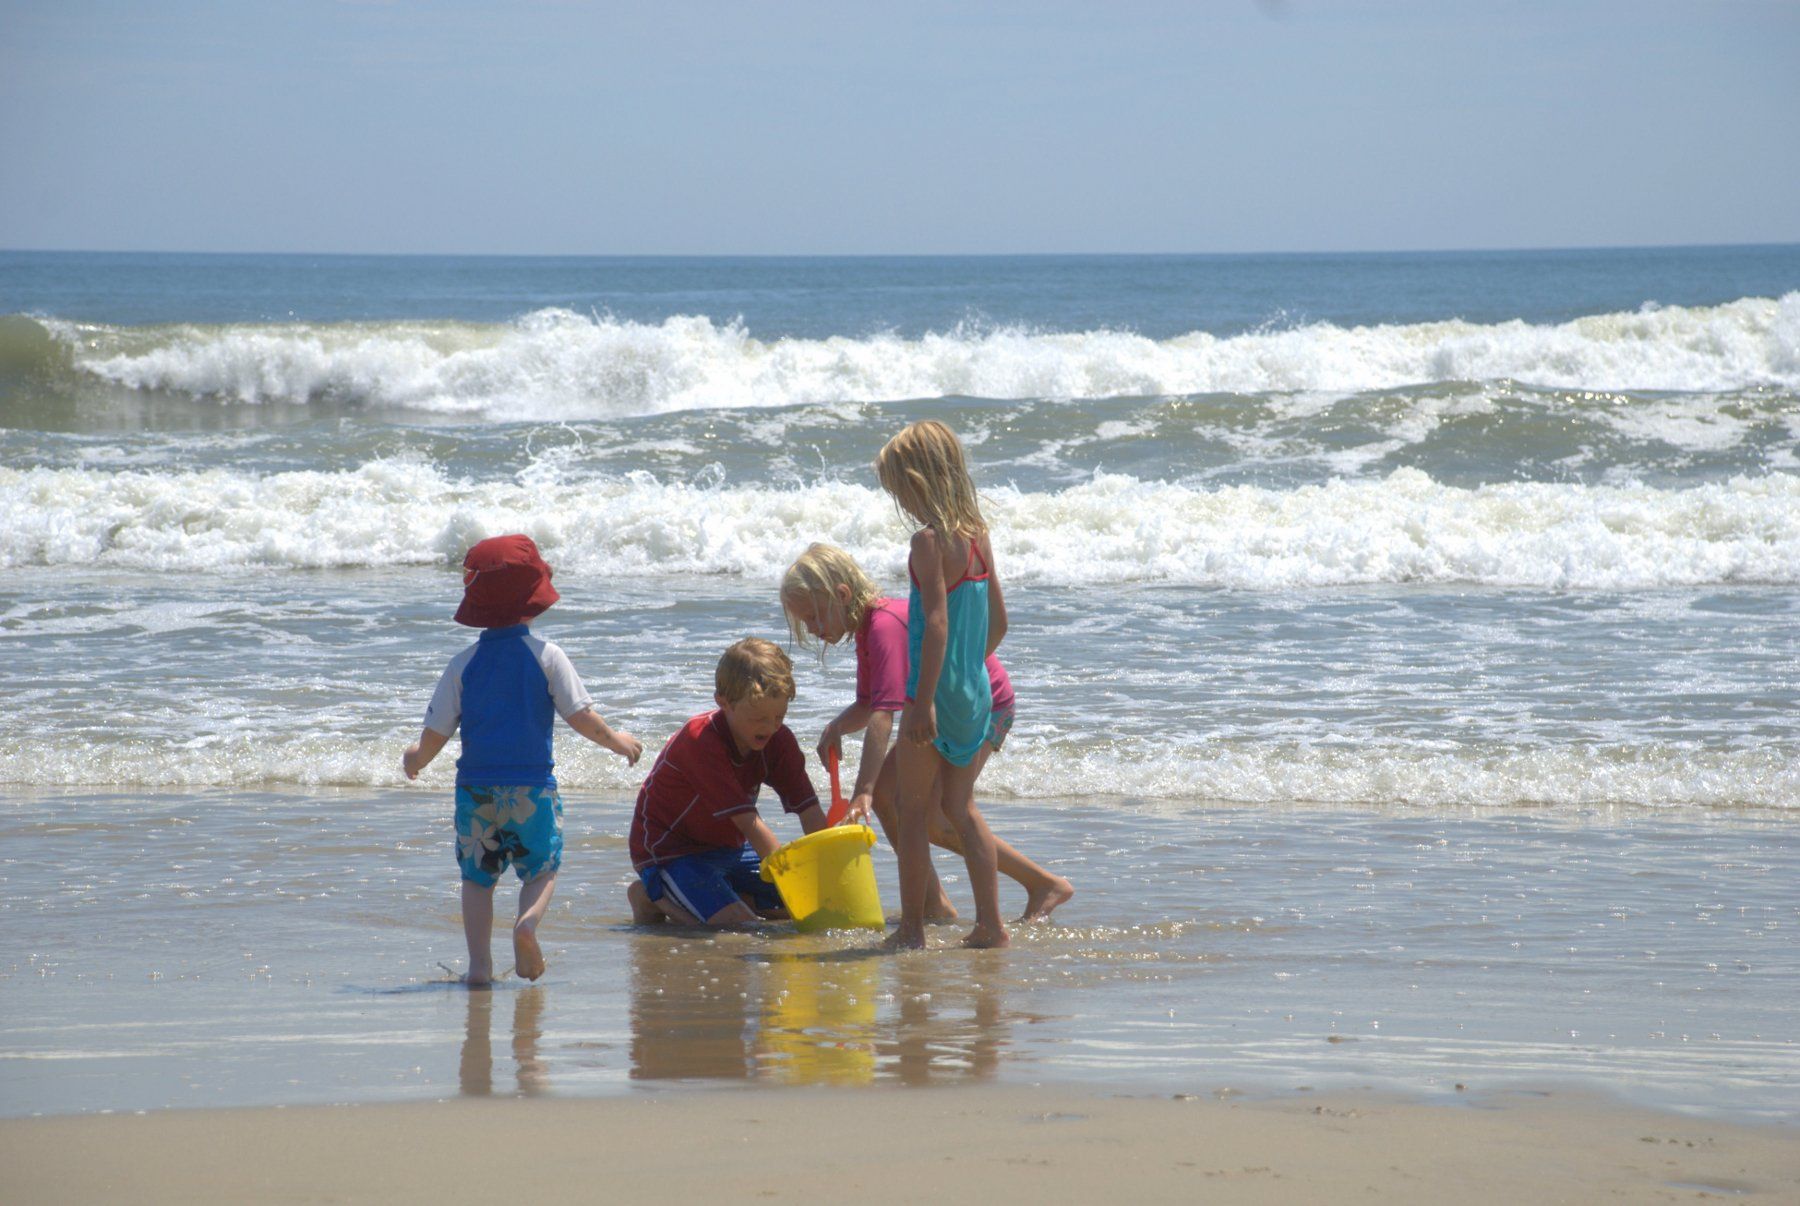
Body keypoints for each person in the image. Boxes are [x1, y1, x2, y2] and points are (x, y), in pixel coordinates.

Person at [780, 542, 1073, 923]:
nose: (814, 631)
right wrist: (837, 726)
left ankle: (1042, 884)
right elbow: (870, 702)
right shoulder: (870, 627)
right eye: (806, 624)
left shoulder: (884, 626)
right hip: (941, 708)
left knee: (937, 814)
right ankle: (935, 903)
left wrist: (862, 791)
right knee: (891, 799)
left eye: (815, 618)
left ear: (842, 595)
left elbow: (883, 717)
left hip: (982, 705)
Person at [403, 534, 642, 986]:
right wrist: (620, 743)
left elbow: (435, 735)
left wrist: (415, 759)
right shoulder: (547, 656)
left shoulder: (463, 664)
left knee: (477, 879)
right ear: (533, 602)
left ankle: (479, 967)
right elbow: (582, 717)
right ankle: (527, 923)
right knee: (542, 867)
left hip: (475, 792)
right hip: (531, 790)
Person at [873, 420, 1012, 949]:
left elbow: (934, 621)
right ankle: (990, 926)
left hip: (930, 697)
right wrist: (964, 671)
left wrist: (923, 700)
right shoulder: (978, 535)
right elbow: (998, 621)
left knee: (912, 813)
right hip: (974, 691)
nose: (899, 501)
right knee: (961, 808)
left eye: (898, 489)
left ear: (918, 480)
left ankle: (910, 929)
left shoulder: (927, 542)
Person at [627, 638, 828, 927]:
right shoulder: (700, 741)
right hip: (671, 850)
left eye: (779, 716)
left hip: (729, 847)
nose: (770, 727)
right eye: (758, 718)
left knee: (806, 905)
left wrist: (826, 881)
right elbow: (750, 823)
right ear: (723, 702)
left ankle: (732, 894)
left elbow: (810, 811)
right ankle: (649, 895)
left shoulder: (779, 740)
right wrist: (790, 881)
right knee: (738, 927)